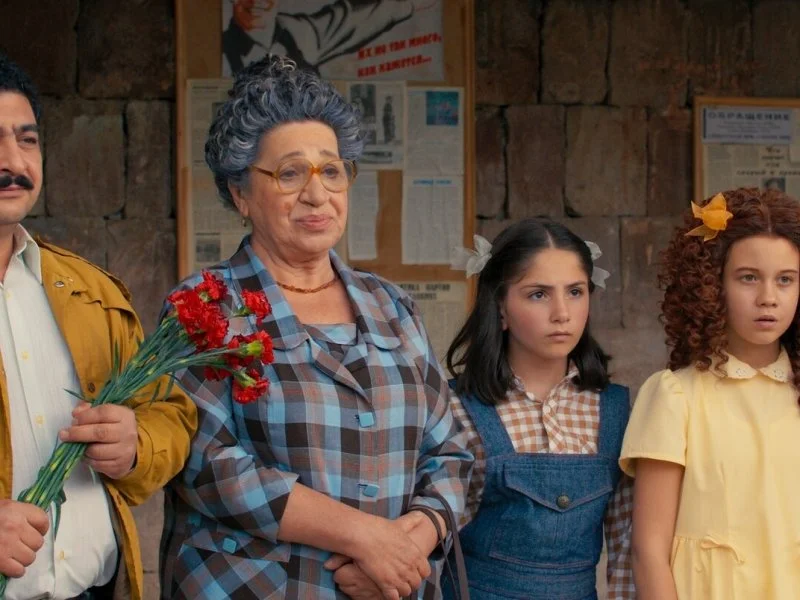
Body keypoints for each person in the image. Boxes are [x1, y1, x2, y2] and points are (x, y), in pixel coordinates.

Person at [159, 55, 472, 600]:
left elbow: (455, 450)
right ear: (240, 193)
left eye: (331, 171)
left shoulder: (391, 305)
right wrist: (364, 537)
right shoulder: (211, 305)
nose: (316, 193)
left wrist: (407, 547)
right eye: (289, 173)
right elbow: (207, 464)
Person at [0, 53, 197, 600]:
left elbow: (171, 413)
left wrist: (136, 444)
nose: (13, 161)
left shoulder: (88, 292)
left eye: (27, 139)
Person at [621, 188, 800, 599]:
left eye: (785, 280)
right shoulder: (675, 396)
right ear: (710, 285)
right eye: (748, 277)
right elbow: (649, 552)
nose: (768, 298)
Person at [444, 219, 634, 600]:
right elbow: (430, 539)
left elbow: (626, 548)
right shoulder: (455, 407)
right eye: (538, 295)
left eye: (575, 292)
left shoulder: (615, 410)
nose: (562, 313)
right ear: (501, 307)